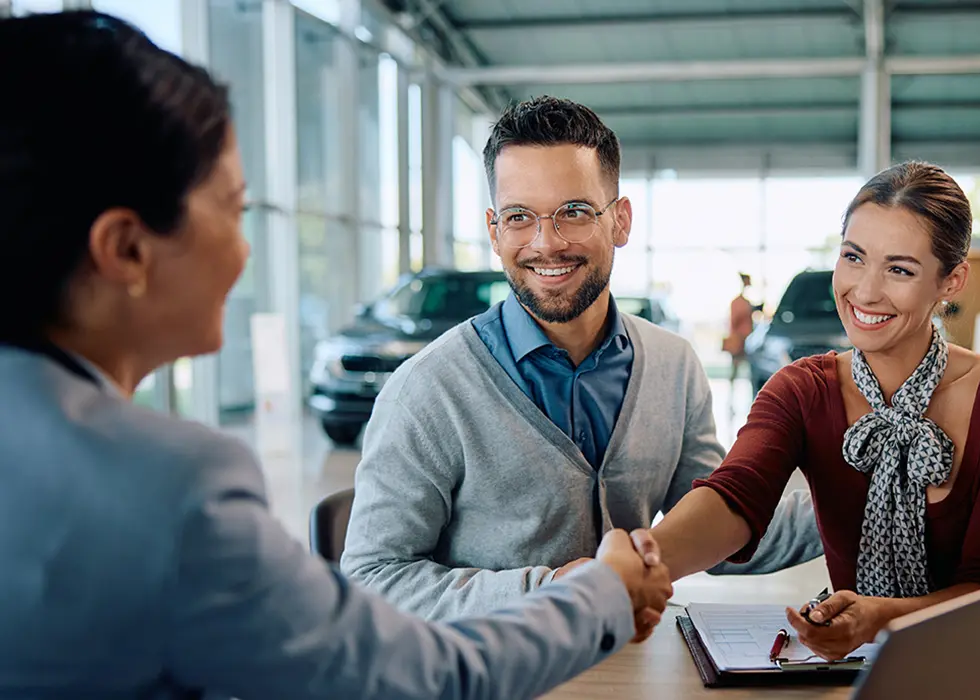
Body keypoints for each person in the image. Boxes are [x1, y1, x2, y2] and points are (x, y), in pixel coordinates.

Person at [0, 12, 673, 699]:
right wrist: (599, 595)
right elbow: (411, 677)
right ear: (127, 250)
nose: (247, 250)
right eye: (235, 211)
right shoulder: (170, 490)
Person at [340, 96, 823, 622]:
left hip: (629, 669)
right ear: (494, 230)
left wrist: (871, 496)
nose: (547, 243)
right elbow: (371, 579)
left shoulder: (672, 368)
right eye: (519, 216)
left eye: (574, 211)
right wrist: (550, 591)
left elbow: (723, 525)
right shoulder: (428, 389)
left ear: (620, 220)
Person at [646, 161, 980, 661]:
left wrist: (881, 618)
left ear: (951, 281)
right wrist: (641, 565)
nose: (865, 291)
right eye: (853, 257)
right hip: (855, 670)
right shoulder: (801, 389)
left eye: (900, 269)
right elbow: (735, 498)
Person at [723, 272, 755, 394]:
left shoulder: (745, 302)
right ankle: (731, 394)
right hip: (739, 340)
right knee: (735, 368)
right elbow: (735, 321)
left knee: (749, 368)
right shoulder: (738, 302)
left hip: (747, 340)